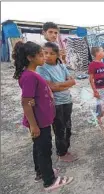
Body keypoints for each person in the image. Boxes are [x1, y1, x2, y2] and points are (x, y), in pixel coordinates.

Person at [12, 41, 73, 191]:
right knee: (44, 149)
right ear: (30, 57)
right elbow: (26, 102)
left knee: (39, 147)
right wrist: (33, 125)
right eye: (40, 54)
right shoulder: (29, 76)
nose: (44, 57)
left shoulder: (32, 73)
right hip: (39, 121)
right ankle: (50, 181)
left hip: (42, 119)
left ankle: (41, 172)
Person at [37, 42, 78, 162]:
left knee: (68, 126)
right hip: (56, 104)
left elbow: (72, 81)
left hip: (67, 100)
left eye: (51, 53)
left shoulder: (61, 65)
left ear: (57, 55)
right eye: (45, 53)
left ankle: (66, 148)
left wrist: (60, 85)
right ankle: (62, 152)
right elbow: (52, 87)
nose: (48, 56)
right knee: (59, 128)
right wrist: (65, 85)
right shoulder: (42, 68)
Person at [88, 47, 104, 125]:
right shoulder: (92, 65)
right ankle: (98, 119)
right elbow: (90, 79)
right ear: (97, 53)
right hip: (99, 89)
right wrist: (95, 91)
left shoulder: (103, 64)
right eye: (102, 51)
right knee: (100, 106)